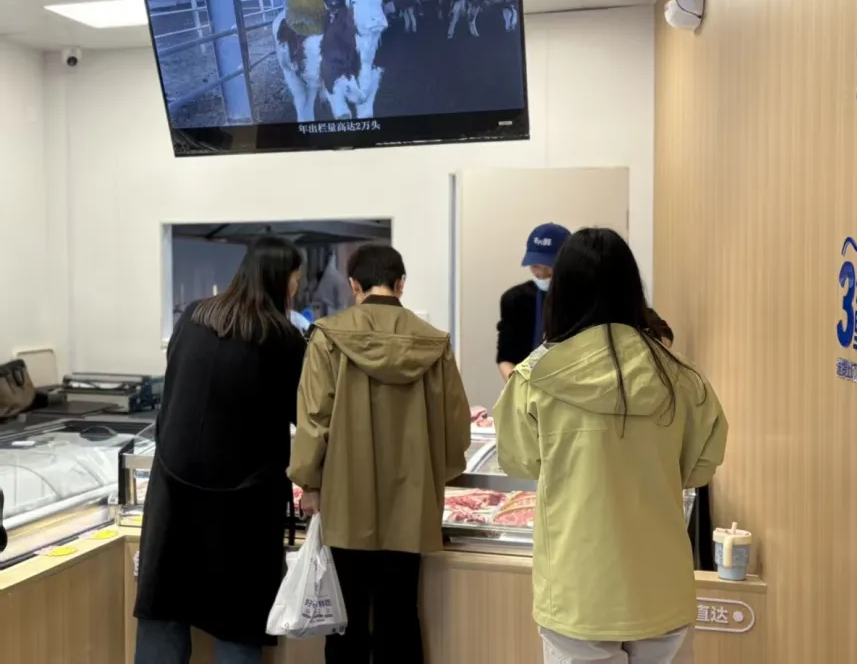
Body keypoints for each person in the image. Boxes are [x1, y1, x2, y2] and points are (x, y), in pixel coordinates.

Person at [494, 228, 728, 664]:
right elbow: (700, 468)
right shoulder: (683, 376)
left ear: (562, 291)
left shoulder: (533, 379)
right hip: (662, 586)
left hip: (577, 590)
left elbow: (520, 462)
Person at [288, 243, 472, 664]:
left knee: (346, 617)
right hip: (412, 502)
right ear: (400, 283)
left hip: (345, 500)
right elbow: (456, 426)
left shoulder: (327, 337)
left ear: (354, 285)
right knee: (400, 613)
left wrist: (309, 482)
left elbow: (314, 419)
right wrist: (435, 475)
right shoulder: (435, 344)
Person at [134, 236, 308, 664]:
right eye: (295, 279)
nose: (297, 288)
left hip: (174, 492)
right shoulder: (283, 339)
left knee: (165, 612)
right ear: (280, 279)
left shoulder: (193, 316)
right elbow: (302, 416)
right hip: (244, 505)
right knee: (237, 621)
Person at [496, 223, 571, 381]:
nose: (541, 273)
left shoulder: (582, 299)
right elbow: (506, 356)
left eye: (549, 266)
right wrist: (519, 387)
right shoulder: (515, 299)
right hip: (526, 385)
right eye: (535, 265)